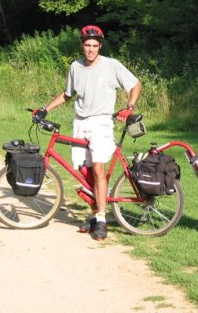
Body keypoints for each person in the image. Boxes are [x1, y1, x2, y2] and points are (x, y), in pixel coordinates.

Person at [33, 25, 142, 241]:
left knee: (99, 168)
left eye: (94, 45)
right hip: (80, 123)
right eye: (87, 45)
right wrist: (45, 108)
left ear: (100, 46)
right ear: (82, 46)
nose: (91, 49)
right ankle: (94, 215)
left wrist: (129, 106)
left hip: (101, 123)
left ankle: (101, 219)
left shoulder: (112, 65)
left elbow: (135, 84)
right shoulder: (76, 67)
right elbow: (67, 94)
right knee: (85, 171)